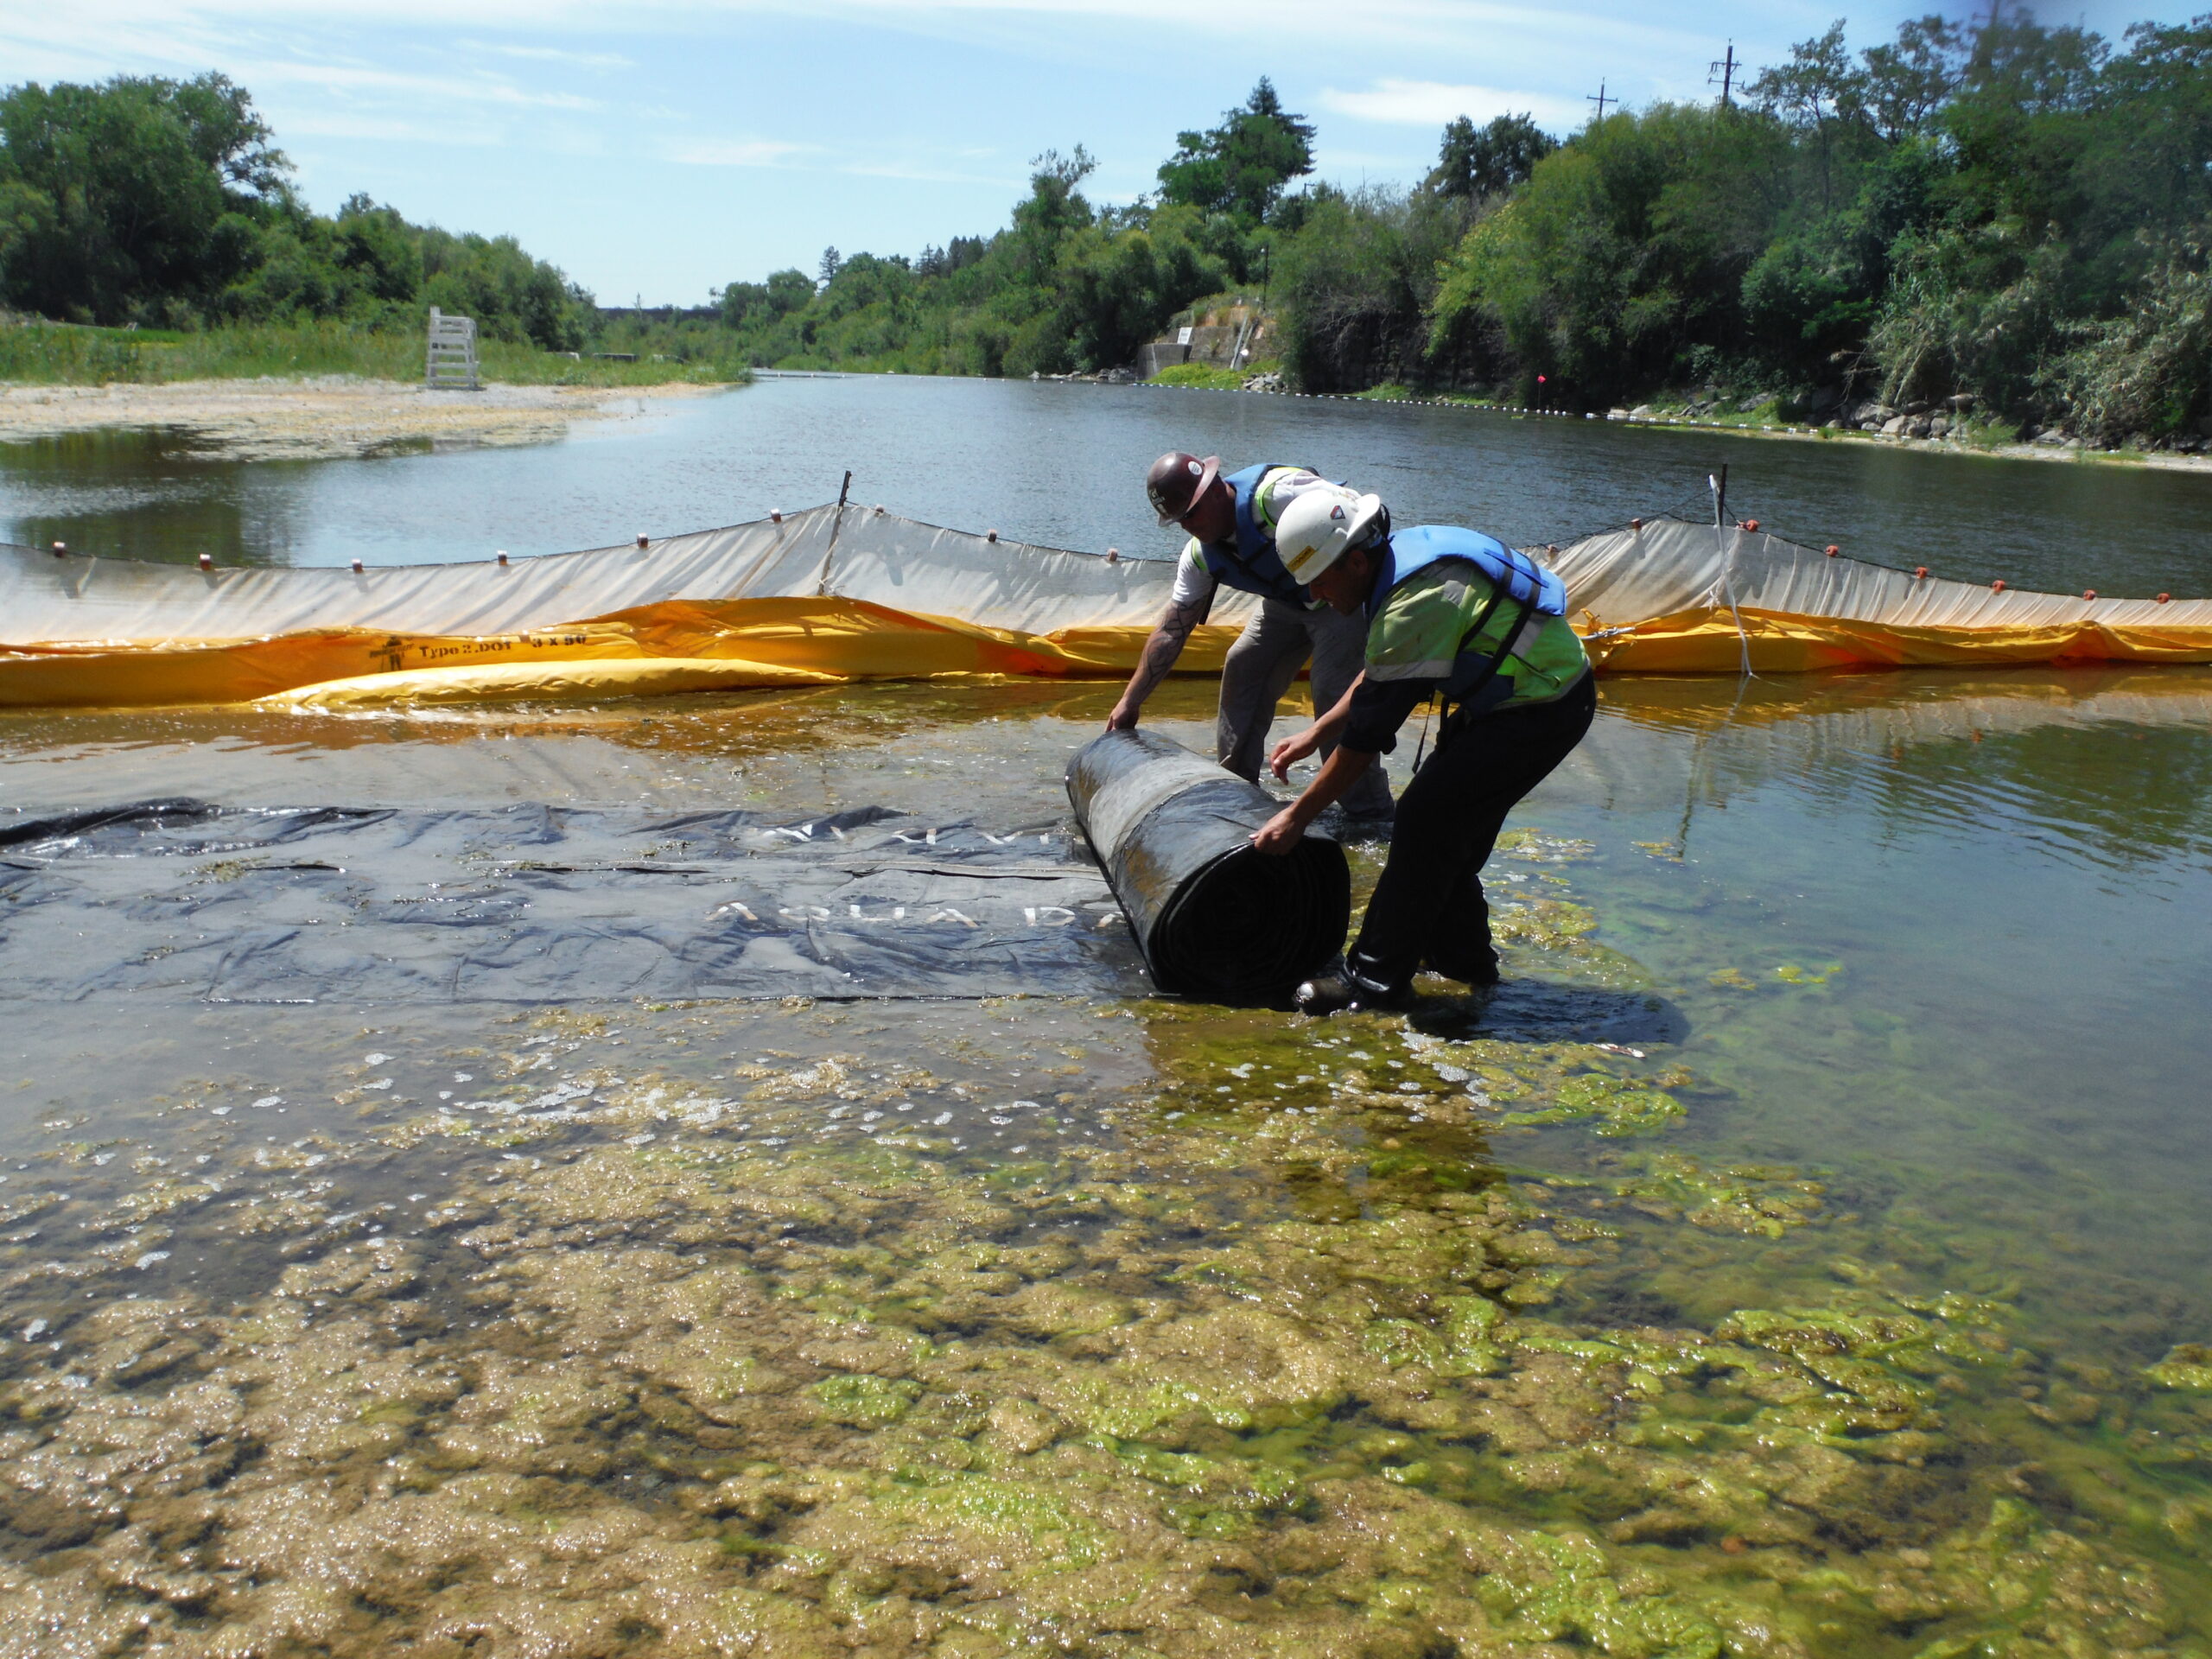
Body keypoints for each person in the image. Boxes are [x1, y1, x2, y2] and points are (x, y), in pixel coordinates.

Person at [1249, 486, 1595, 1014]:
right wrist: (1318, 731)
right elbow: (1381, 675)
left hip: (1541, 709)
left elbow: (1365, 743)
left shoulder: (1416, 600)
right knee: (1445, 832)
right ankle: (1463, 962)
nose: (1316, 595)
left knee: (1424, 821)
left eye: (1320, 579)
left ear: (1356, 561)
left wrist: (1296, 817)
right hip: (1517, 702)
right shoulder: (1403, 566)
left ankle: (1372, 982)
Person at [1107, 452, 1394, 819]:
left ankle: (1369, 811)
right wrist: (1130, 701)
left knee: (1331, 690)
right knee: (1242, 665)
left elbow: (1360, 520)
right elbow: (1172, 629)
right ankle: (1237, 791)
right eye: (1178, 520)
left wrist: (1379, 603)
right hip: (1284, 606)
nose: (1187, 526)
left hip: (1341, 600)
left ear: (1213, 488)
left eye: (1191, 513)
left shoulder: (1278, 495)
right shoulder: (1199, 556)